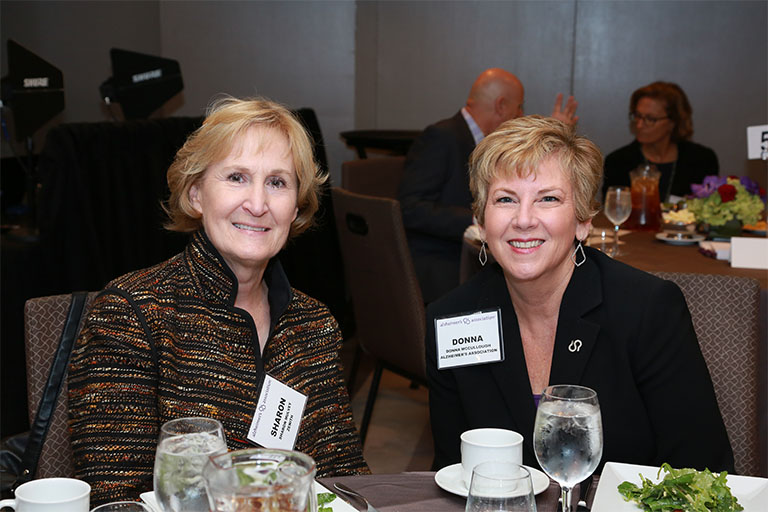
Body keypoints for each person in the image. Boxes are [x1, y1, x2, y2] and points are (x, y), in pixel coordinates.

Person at [68, 97, 369, 505]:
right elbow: (118, 501)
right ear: (196, 194)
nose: (258, 204)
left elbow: (346, 479)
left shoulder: (313, 324)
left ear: (296, 206)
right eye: (237, 177)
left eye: (277, 182)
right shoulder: (132, 315)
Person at [425, 115, 734, 474]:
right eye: (505, 199)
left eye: (548, 198)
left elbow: (700, 468)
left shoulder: (646, 310)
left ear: (584, 221)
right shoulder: (452, 319)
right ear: (480, 221)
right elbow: (452, 471)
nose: (523, 219)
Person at [398, 67, 578, 304]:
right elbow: (409, 208)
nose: (520, 114)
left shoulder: (489, 144)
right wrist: (479, 219)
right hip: (445, 261)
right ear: (501, 105)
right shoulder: (442, 136)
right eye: (520, 107)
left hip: (482, 255)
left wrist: (553, 137)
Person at [602, 81, 719, 202]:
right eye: (637, 116)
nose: (639, 125)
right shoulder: (618, 162)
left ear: (673, 122)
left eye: (650, 119)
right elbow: (613, 208)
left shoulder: (702, 159)